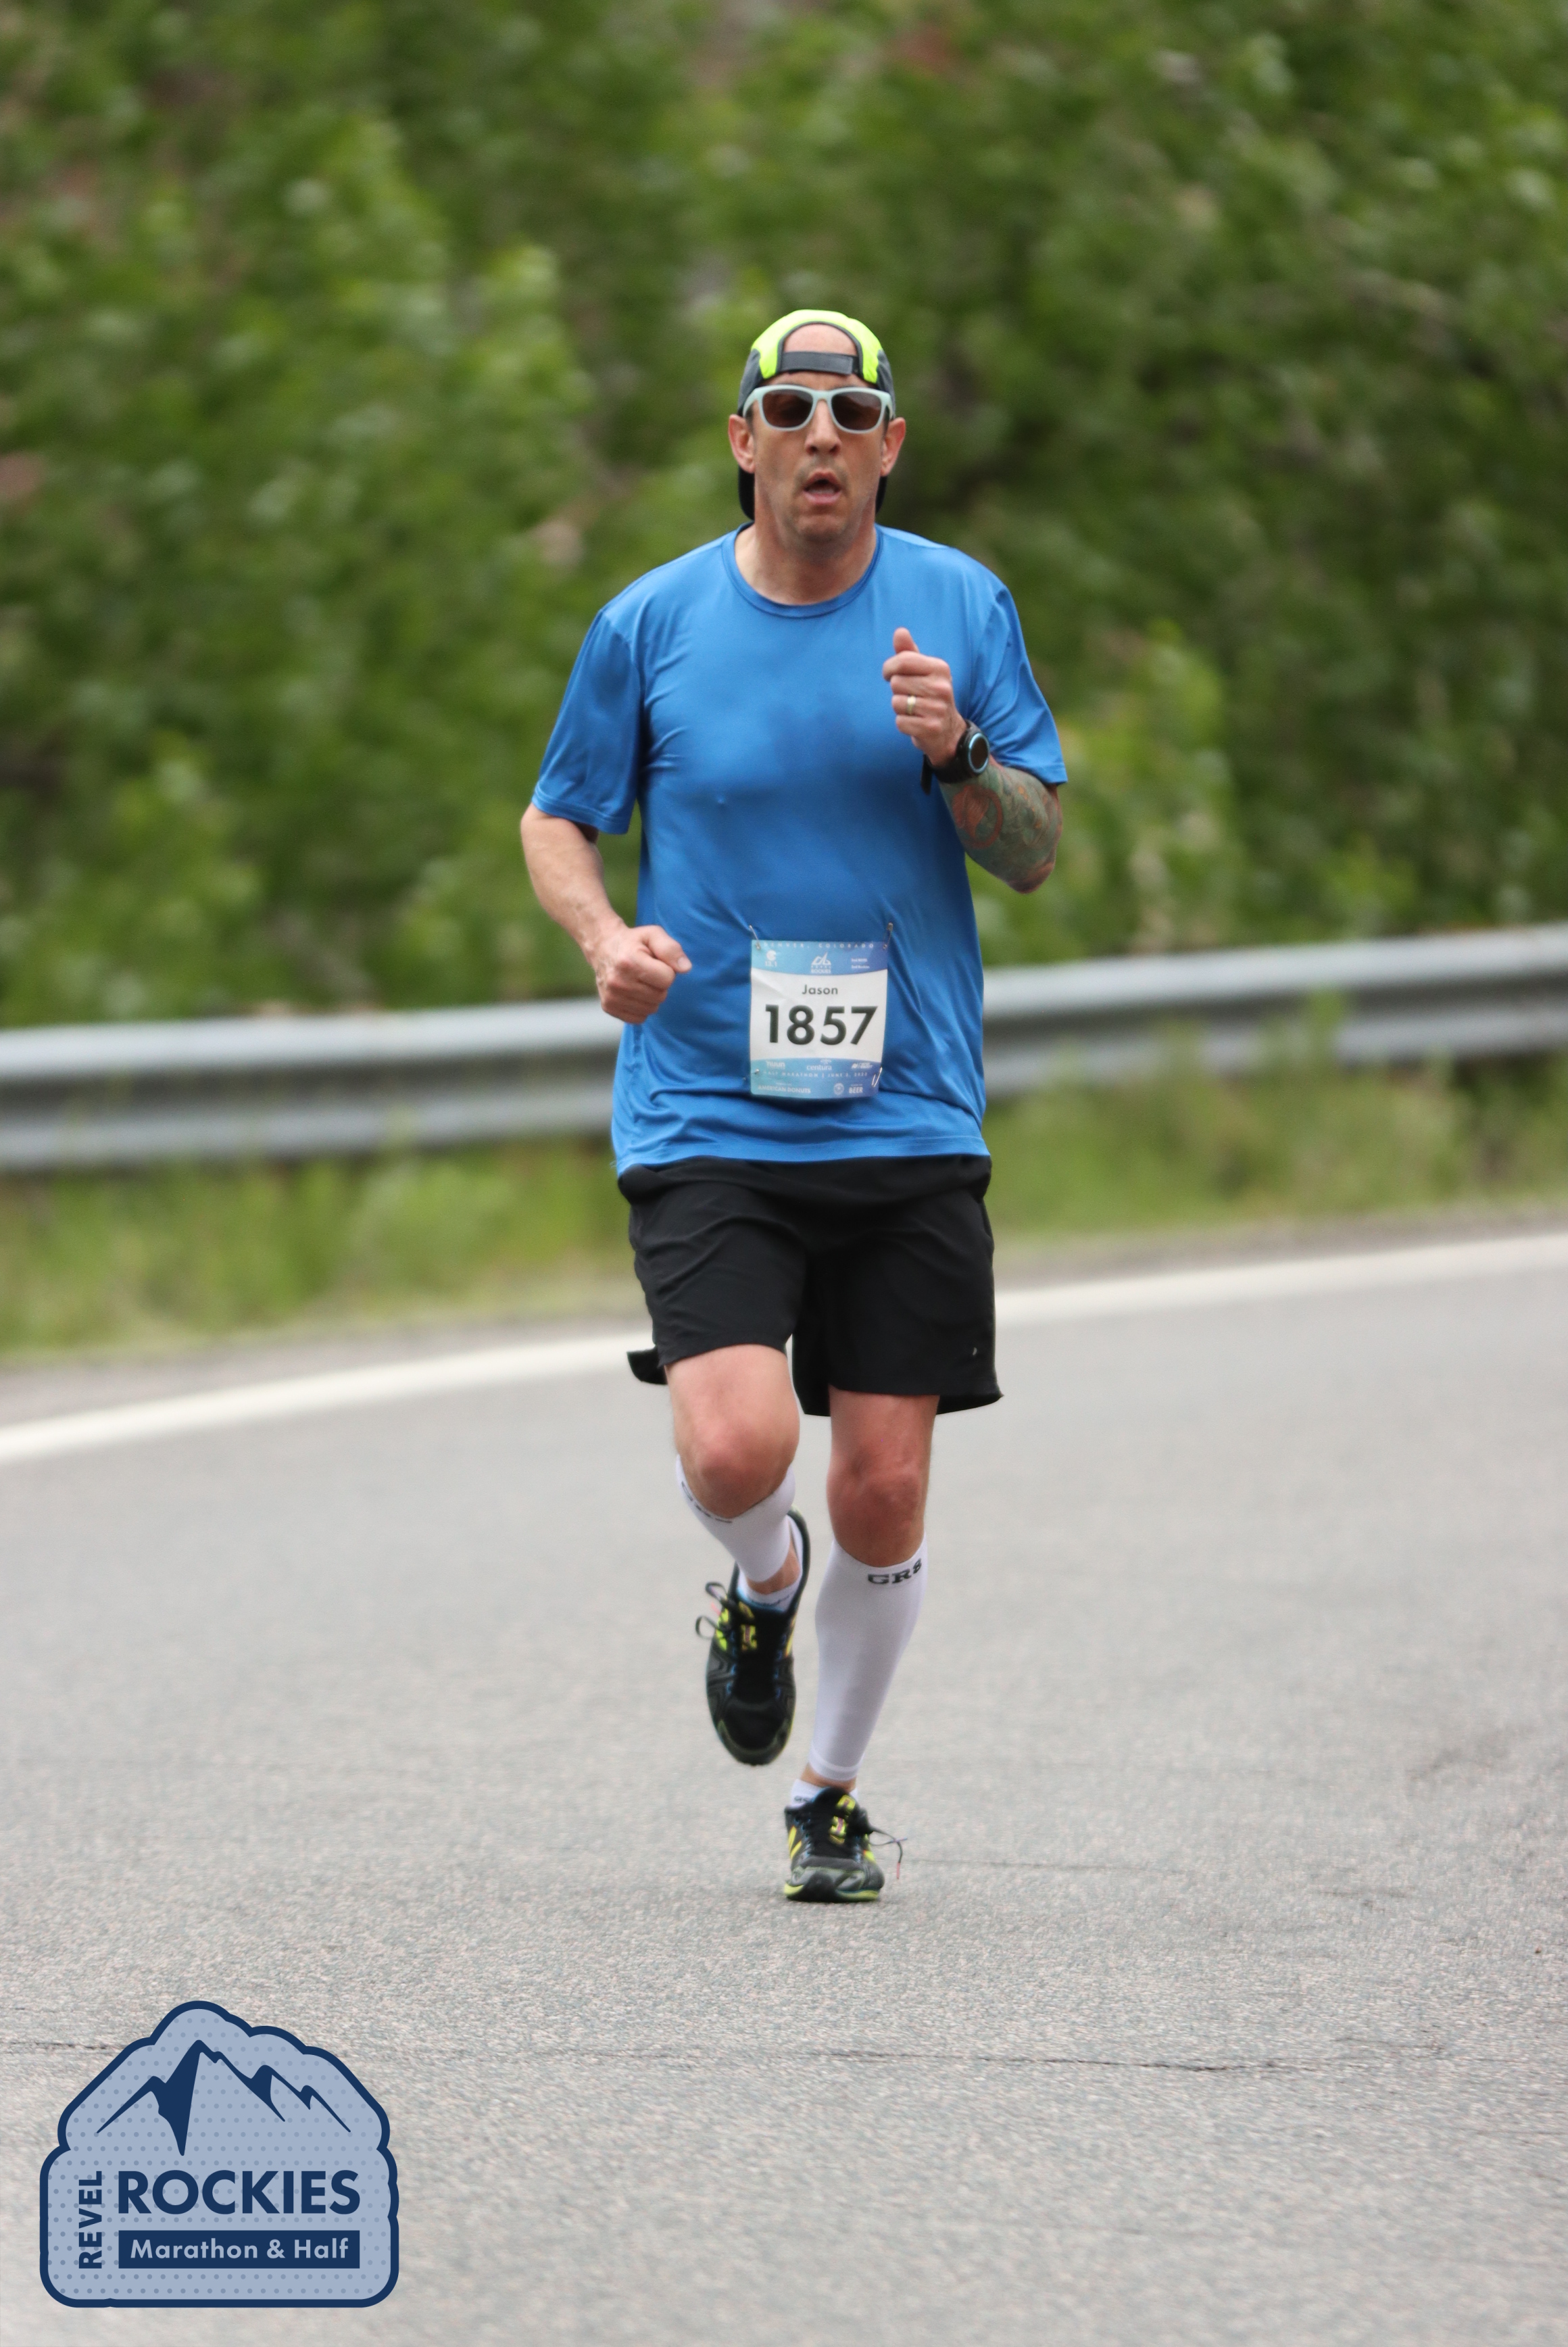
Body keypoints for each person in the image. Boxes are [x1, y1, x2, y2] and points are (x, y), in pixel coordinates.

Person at [521, 309, 1064, 1901]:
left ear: (888, 446)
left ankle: (826, 1793)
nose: (817, 435)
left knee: (882, 1484)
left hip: (906, 1110)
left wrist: (957, 752)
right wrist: (604, 940)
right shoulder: (650, 624)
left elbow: (1032, 849)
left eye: (847, 411)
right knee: (734, 1445)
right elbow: (557, 817)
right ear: (742, 441)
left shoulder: (958, 607)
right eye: (786, 408)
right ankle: (761, 1582)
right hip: (710, 1106)